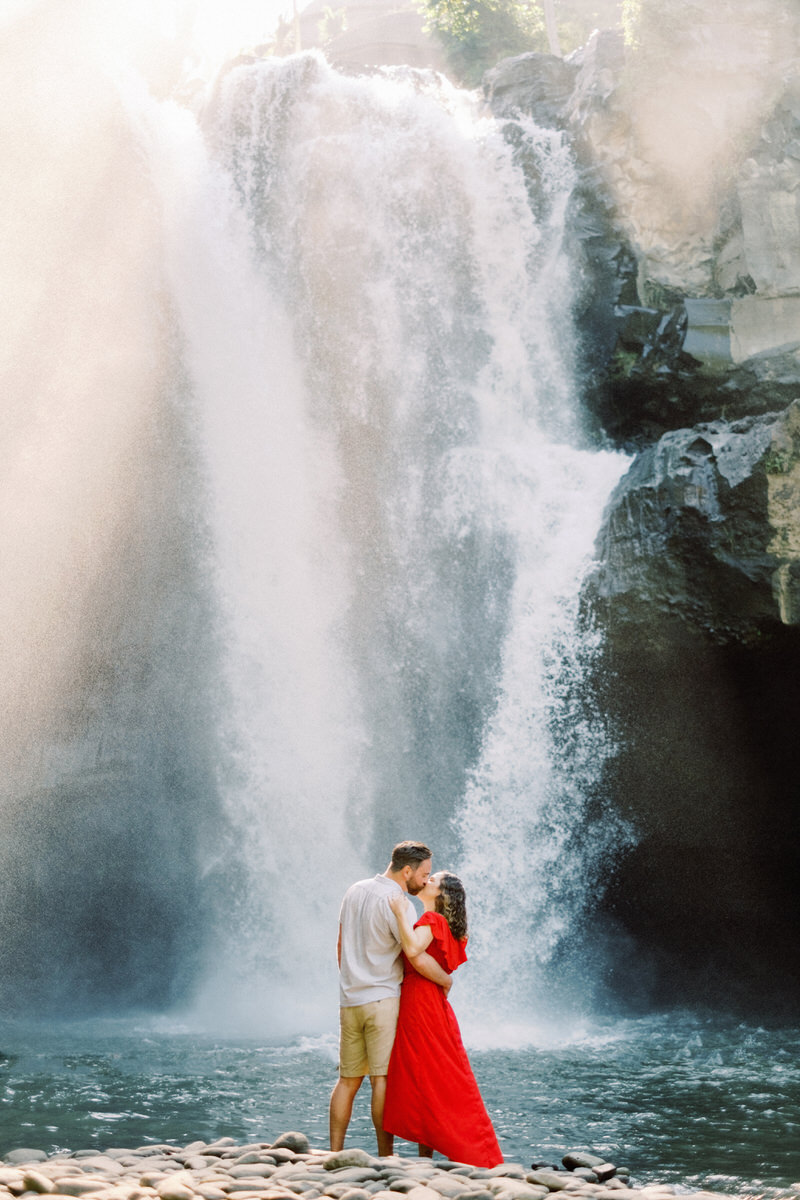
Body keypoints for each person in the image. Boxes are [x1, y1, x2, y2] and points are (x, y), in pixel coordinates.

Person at [329, 841, 453, 1156]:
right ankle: (386, 1155)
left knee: (347, 1080)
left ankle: (334, 1152)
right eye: (424, 874)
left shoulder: (354, 889)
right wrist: (445, 979)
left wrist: (351, 979)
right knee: (380, 1080)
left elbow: (340, 945)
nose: (426, 882)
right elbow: (416, 955)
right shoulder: (398, 901)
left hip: (349, 999)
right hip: (382, 999)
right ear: (407, 870)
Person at [383, 871, 503, 1167]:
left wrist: (399, 913)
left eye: (432, 880)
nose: (426, 881)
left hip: (419, 1000)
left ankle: (438, 1152)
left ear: (441, 895)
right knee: (434, 1074)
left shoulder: (432, 920)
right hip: (433, 1002)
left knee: (424, 1073)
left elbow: (413, 950)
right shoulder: (444, 924)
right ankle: (433, 1154)